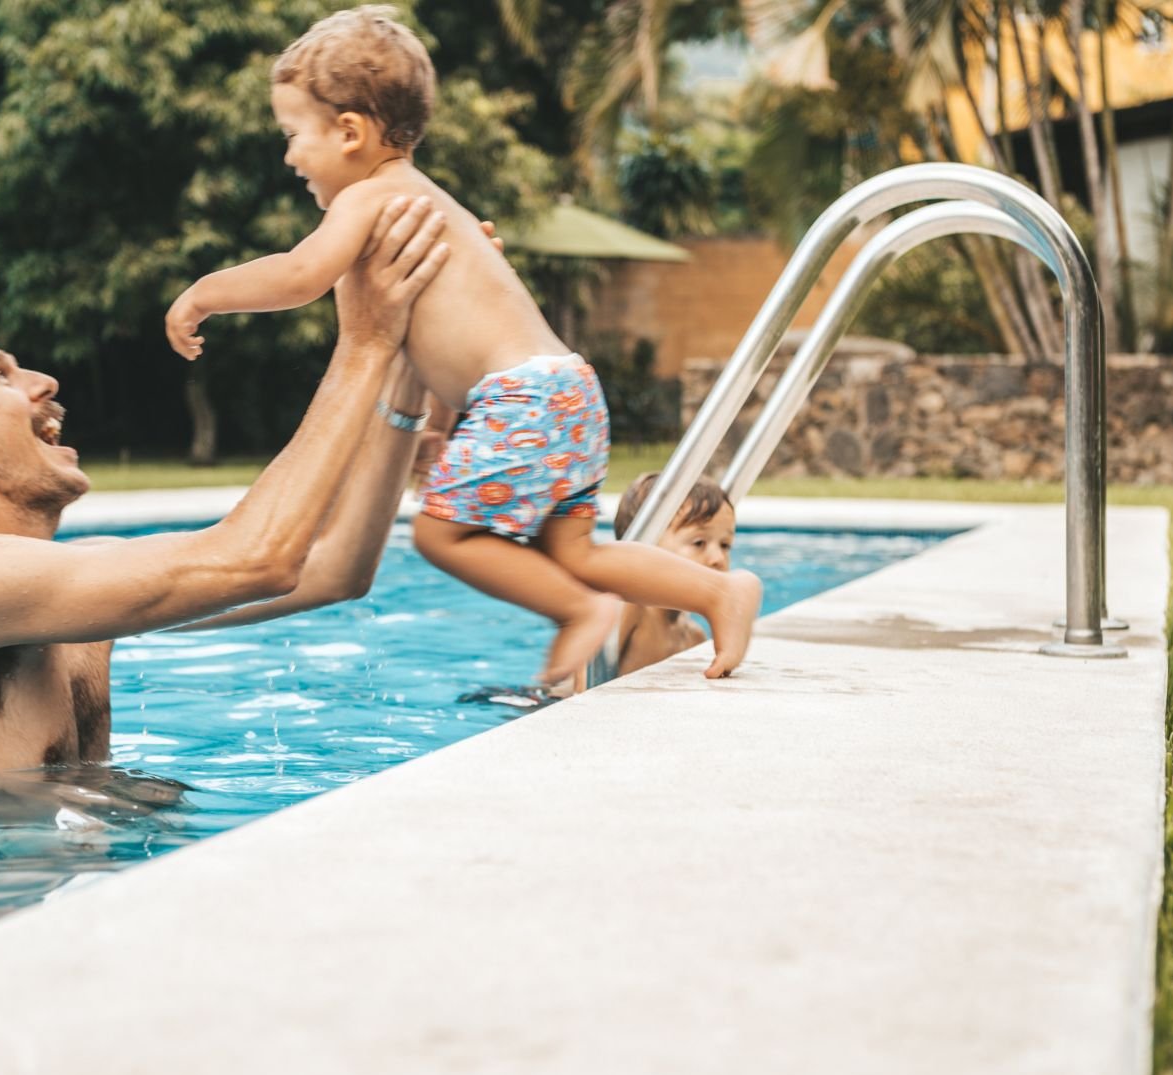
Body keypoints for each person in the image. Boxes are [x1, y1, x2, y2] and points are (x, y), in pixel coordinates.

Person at [162, 5, 761, 685]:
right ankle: (718, 592)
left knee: (438, 535)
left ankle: (579, 612)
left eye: (294, 133)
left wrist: (204, 292)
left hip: (521, 400)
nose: (289, 154)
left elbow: (300, 274)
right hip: (567, 390)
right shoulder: (435, 206)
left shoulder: (373, 198)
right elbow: (448, 348)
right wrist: (442, 431)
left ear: (350, 131)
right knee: (579, 550)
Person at [0, 196, 454, 771]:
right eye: (0, 377)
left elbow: (335, 570)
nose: (45, 381)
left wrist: (402, 369)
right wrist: (365, 341)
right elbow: (254, 560)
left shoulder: (74, 586)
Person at [608, 473, 738, 677]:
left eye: (725, 545)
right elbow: (580, 686)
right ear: (646, 549)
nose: (718, 558)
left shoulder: (693, 637)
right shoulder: (628, 609)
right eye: (699, 543)